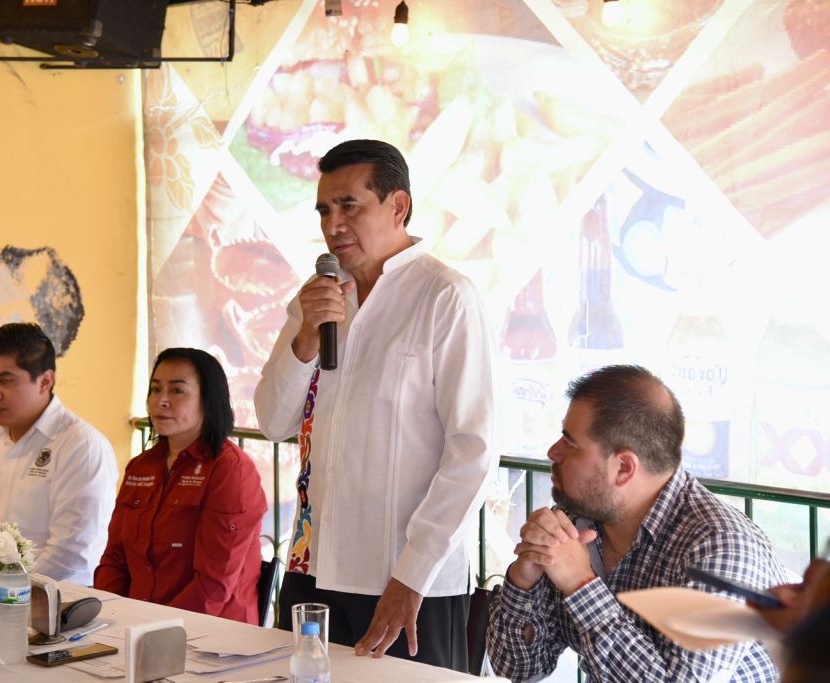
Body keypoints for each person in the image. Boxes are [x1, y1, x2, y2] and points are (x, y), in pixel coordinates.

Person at [254, 139, 495, 670]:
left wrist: (412, 576)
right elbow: (272, 421)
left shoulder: (444, 296)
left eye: (349, 205)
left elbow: (473, 452)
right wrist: (306, 338)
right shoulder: (315, 298)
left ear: (398, 206)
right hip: (312, 567)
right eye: (324, 210)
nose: (333, 225)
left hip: (403, 582)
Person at [487, 364, 788, 682]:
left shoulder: (722, 549)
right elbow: (519, 669)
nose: (553, 452)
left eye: (570, 443)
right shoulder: (582, 520)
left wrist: (580, 583)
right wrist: (524, 578)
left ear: (624, 468)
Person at [95, 348, 267, 624]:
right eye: (155, 389)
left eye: (177, 391)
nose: (161, 401)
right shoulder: (141, 466)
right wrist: (110, 617)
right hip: (134, 626)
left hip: (212, 634)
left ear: (208, 400)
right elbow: (114, 560)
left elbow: (213, 585)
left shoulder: (231, 469)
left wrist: (153, 632)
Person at [0, 322, 118, 585]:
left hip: (58, 598)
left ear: (45, 381)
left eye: (5, 380)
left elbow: (69, 555)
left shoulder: (81, 446)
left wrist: (0, 588)